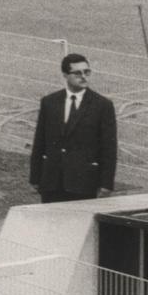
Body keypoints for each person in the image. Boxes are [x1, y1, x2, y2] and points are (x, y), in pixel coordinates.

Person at [29, 53, 118, 203]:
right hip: (52, 182)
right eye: (77, 73)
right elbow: (40, 141)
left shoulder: (102, 105)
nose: (83, 77)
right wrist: (35, 177)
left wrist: (106, 183)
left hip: (84, 183)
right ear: (65, 75)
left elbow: (109, 147)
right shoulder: (49, 102)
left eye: (87, 72)